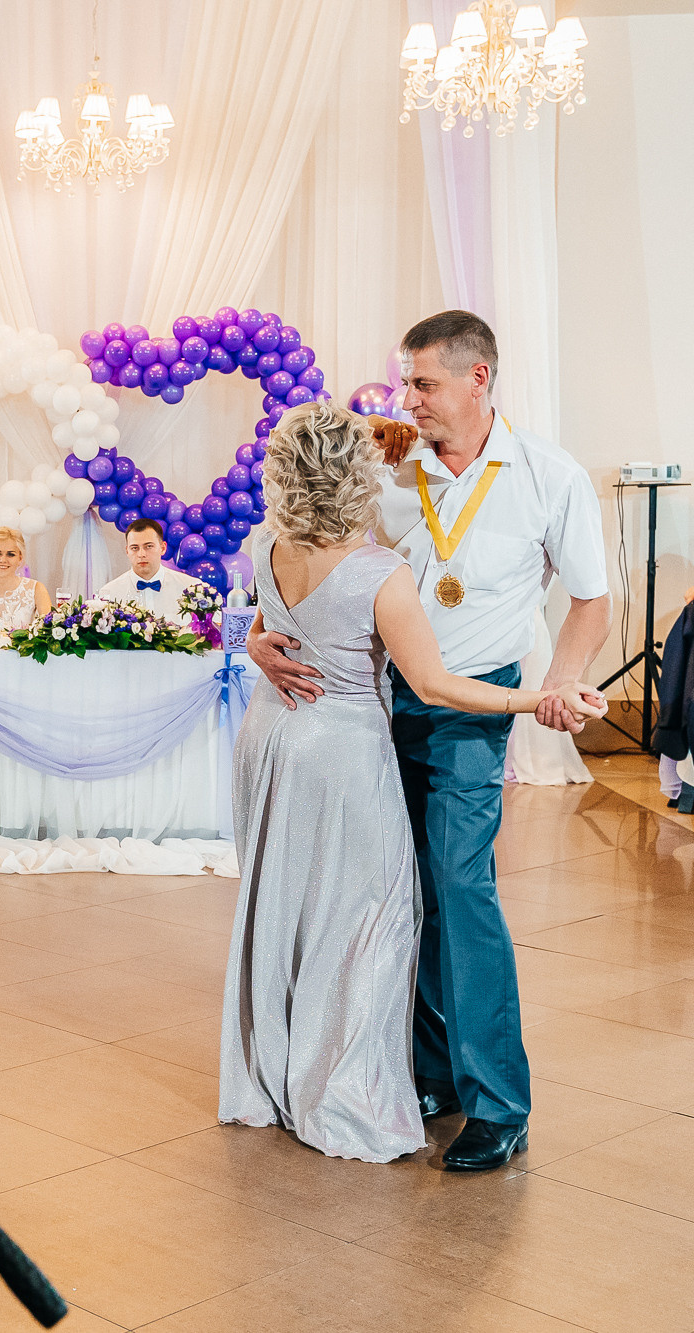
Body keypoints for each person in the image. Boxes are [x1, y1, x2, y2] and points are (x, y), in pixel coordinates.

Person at [249, 312, 610, 1171]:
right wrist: (258, 633)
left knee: (458, 887)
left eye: (423, 384)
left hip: (469, 710)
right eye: (406, 382)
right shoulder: (385, 463)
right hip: (372, 708)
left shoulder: (549, 477)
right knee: (390, 887)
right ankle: (428, 1071)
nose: (406, 399)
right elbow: (306, 548)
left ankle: (499, 1101)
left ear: (478, 379)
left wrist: (558, 682)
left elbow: (591, 601)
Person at [96, 517, 197, 622]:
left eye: (148, 546)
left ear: (163, 548)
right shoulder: (109, 594)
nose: (141, 554)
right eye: (134, 548)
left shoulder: (190, 588)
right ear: (127, 551)